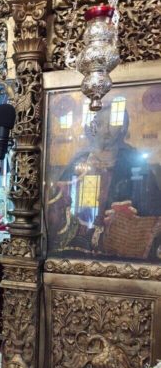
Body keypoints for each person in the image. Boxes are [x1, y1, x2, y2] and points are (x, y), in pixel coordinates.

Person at [48, 104, 161, 259]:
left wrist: (128, 218)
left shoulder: (135, 162)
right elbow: (58, 206)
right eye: (100, 124)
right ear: (93, 127)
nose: (106, 131)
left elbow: (152, 208)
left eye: (112, 124)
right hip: (78, 248)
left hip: (118, 248)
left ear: (123, 127)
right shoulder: (81, 160)